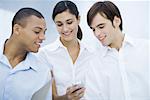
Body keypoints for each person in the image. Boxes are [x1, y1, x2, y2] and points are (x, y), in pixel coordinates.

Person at [37, 0, 106, 100]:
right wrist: (66, 98)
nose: (65, 29)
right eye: (59, 24)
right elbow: (44, 97)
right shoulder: (44, 54)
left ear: (78, 19)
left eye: (69, 22)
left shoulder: (93, 53)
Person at [87, 1, 149, 100]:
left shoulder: (146, 49)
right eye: (93, 29)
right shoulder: (94, 63)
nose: (97, 33)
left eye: (101, 26)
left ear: (116, 21)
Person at [0, 7, 52, 100]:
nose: (43, 37)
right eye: (37, 31)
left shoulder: (43, 72)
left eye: (44, 32)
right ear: (17, 29)